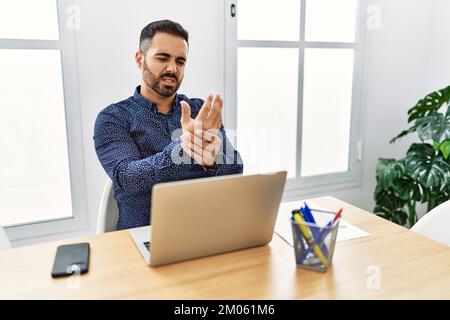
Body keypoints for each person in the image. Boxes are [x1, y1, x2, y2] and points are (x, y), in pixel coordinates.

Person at [94, 20, 243, 230]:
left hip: (204, 230)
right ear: (140, 59)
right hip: (144, 236)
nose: (173, 68)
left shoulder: (199, 109)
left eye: (180, 61)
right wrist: (183, 150)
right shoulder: (113, 118)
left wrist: (213, 160)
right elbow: (128, 178)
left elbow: (236, 170)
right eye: (163, 58)